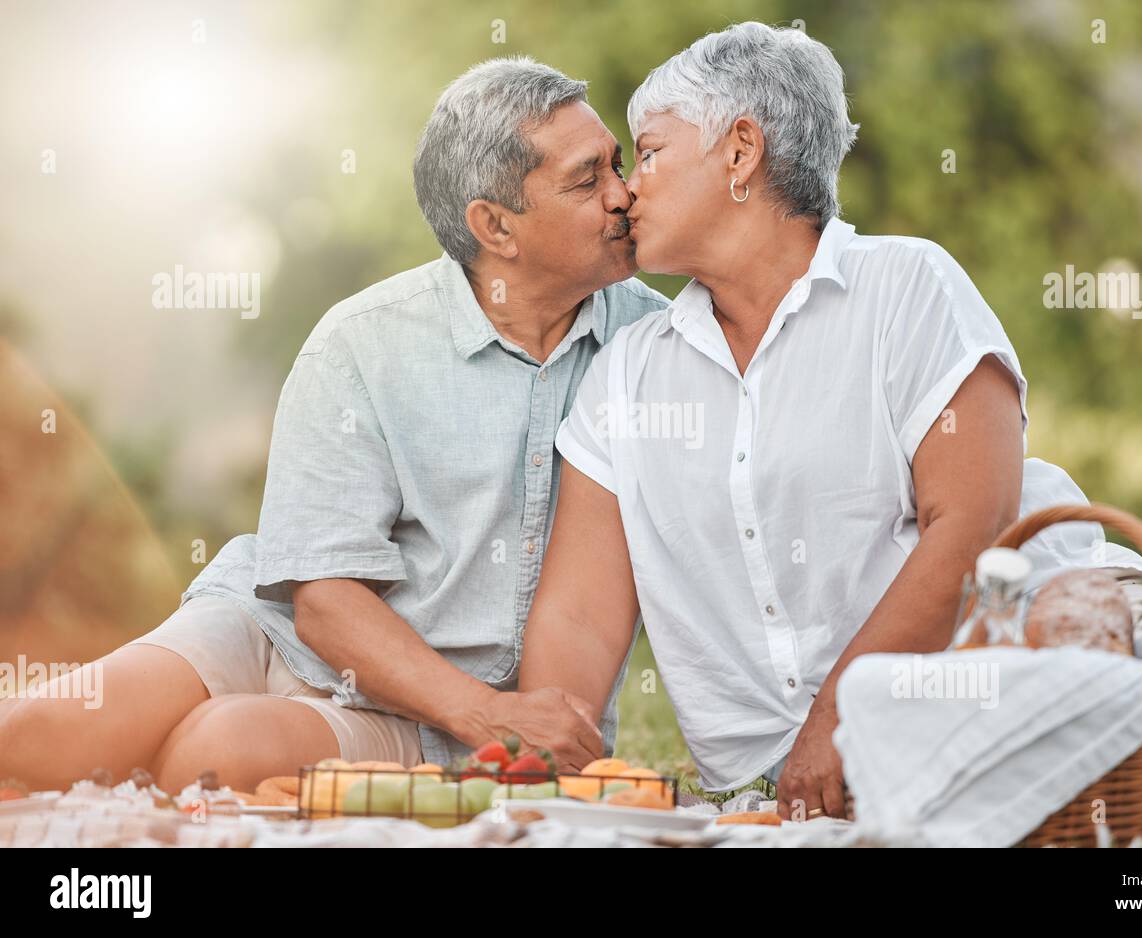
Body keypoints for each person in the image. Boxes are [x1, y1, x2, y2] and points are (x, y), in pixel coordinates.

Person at [518, 23, 1142, 820]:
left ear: (740, 152)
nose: (625, 190)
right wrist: (545, 764)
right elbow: (579, 616)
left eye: (648, 154)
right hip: (764, 800)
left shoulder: (906, 288)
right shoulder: (627, 371)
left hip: (977, 713)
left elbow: (974, 524)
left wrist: (841, 717)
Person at [0, 57, 668, 794]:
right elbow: (321, 602)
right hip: (279, 633)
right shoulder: (362, 341)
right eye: (587, 180)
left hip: (428, 721)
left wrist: (491, 719)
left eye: (618, 164)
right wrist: (486, 714)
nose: (624, 195)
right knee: (36, 736)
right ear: (495, 227)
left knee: (217, 755)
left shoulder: (655, 348)